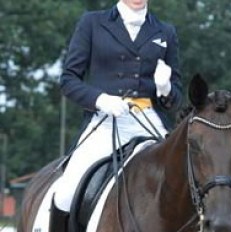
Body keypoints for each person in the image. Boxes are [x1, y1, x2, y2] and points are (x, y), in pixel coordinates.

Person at [49, 0, 182, 230]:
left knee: (184, 181)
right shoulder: (92, 23)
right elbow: (69, 80)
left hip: (147, 119)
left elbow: (176, 98)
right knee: (65, 193)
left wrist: (165, 88)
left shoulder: (165, 31)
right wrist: (100, 100)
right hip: (105, 121)